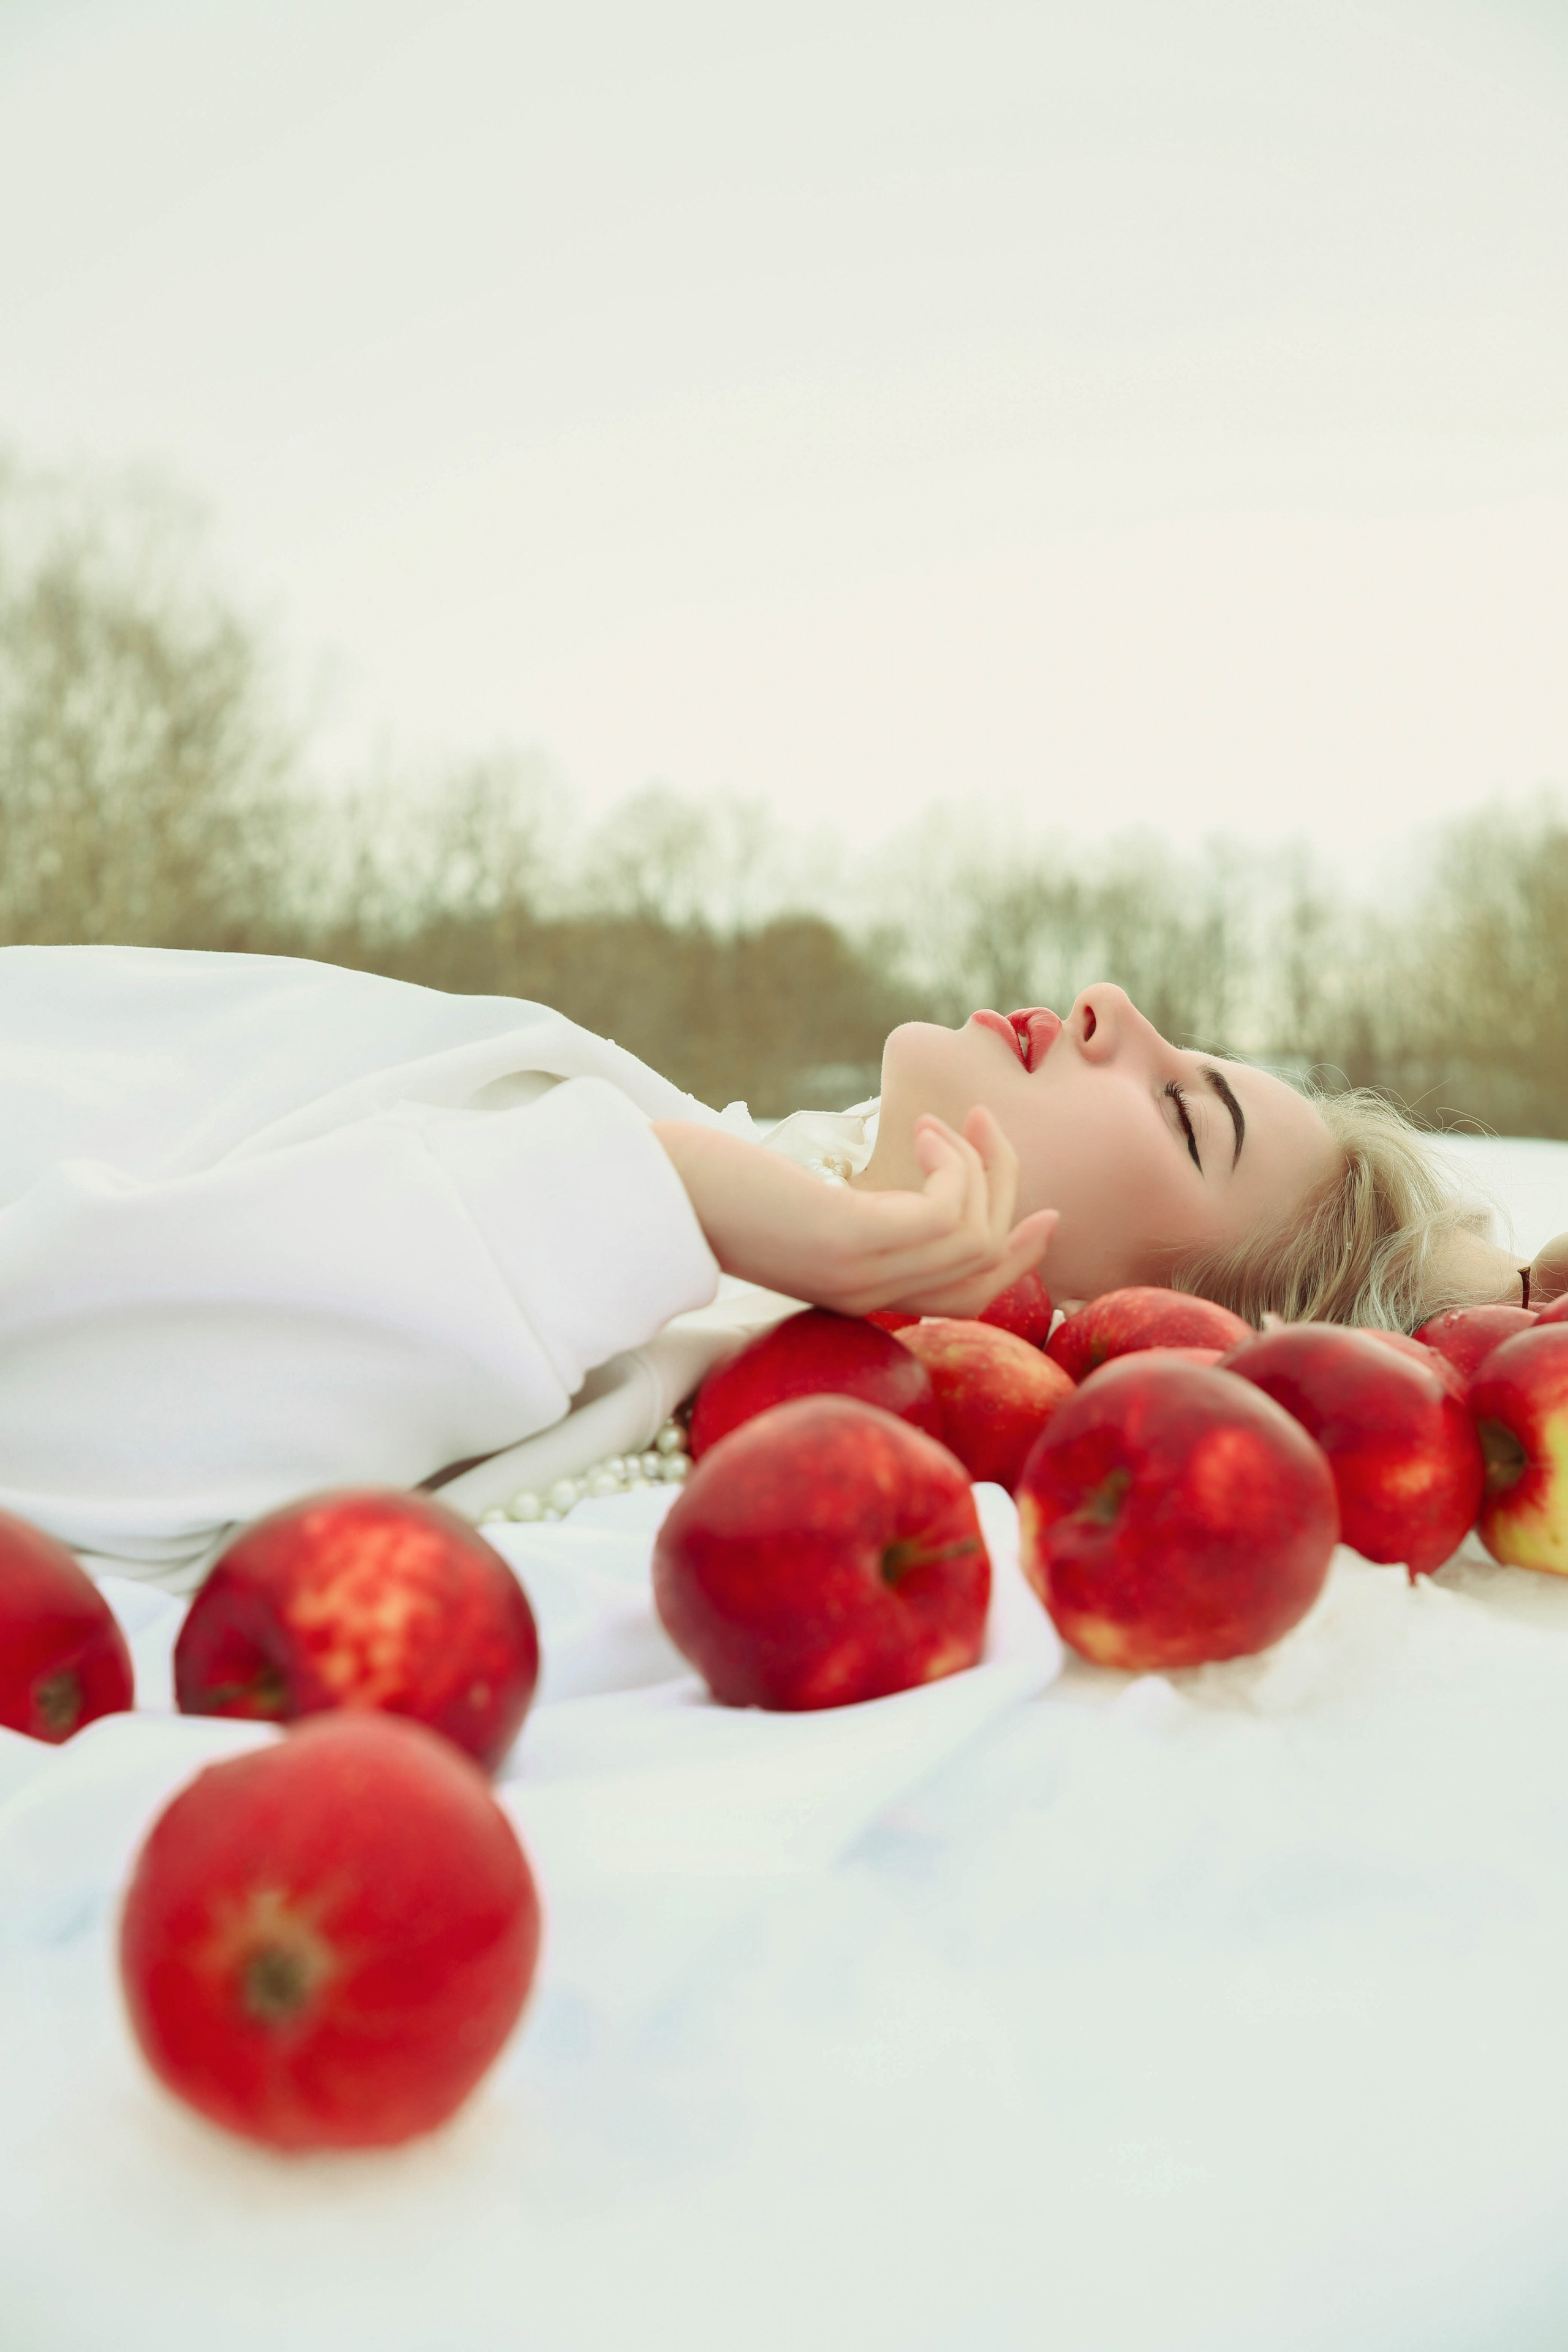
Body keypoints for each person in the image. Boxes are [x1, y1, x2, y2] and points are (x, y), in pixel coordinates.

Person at [0, 948, 1541, 1590]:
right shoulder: (722, 1170)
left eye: (1177, 1111)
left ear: (1134, 1325)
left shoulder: (681, 1361)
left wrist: (674, 1205)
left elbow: (73, 1379)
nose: (1105, 1006)